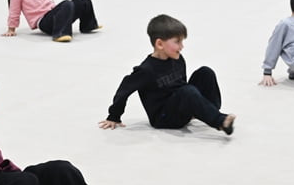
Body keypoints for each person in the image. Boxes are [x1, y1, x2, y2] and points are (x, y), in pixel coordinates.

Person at [99, 14, 235, 135]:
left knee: (205, 72)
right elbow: (124, 90)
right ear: (159, 44)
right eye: (177, 42)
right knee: (187, 91)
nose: (182, 46)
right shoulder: (146, 70)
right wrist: (114, 116)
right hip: (163, 118)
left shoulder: (178, 59)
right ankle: (220, 121)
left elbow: (181, 85)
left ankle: (208, 111)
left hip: (179, 106)